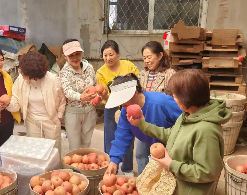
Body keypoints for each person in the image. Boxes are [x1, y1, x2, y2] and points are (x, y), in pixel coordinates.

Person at [128, 69, 232, 195]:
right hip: (176, 188)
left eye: (175, 96)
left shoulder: (206, 131)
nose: (173, 99)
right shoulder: (188, 115)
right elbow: (172, 135)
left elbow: (207, 172)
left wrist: (171, 164)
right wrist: (142, 124)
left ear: (186, 98)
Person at [104, 73, 182, 176]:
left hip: (176, 147)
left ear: (135, 92)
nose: (122, 104)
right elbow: (122, 137)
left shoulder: (161, 103)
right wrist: (114, 161)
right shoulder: (126, 111)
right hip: (153, 146)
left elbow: (187, 119)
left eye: (123, 100)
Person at [6, 52, 66, 155]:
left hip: (51, 120)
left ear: (33, 74)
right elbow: (15, 100)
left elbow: (62, 100)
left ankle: (55, 171)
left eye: (23, 72)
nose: (20, 72)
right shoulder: (21, 80)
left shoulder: (52, 79)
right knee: (36, 150)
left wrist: (59, 116)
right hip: (32, 120)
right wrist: (7, 104)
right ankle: (40, 171)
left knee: (54, 151)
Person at [96, 40, 140, 176]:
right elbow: (107, 99)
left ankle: (127, 169)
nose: (108, 58)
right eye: (105, 55)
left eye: (111, 54)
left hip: (128, 106)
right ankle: (111, 166)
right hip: (111, 107)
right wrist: (103, 96)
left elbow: (138, 84)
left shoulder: (128, 66)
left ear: (118, 54)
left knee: (127, 136)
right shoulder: (101, 72)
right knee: (110, 138)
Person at [59, 39, 98, 151]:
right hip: (73, 113)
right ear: (65, 56)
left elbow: (95, 84)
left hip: (90, 111)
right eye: (71, 55)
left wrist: (97, 96)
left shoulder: (89, 67)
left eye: (78, 54)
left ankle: (84, 167)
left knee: (86, 143)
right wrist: (81, 97)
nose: (75, 58)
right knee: (74, 146)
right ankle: (75, 168)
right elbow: (67, 91)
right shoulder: (64, 72)